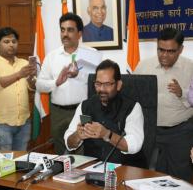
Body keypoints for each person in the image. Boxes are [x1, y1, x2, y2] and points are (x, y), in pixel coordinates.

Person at [36, 12, 101, 155]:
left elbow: (100, 84)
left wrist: (79, 75)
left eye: (70, 30)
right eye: (62, 29)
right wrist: (56, 82)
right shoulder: (52, 57)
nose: (65, 34)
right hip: (58, 112)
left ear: (79, 34)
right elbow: (39, 85)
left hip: (82, 111)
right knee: (60, 150)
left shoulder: (92, 54)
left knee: (83, 150)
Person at [134, 27, 193, 181]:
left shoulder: (190, 68)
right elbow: (132, 95)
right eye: (161, 50)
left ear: (180, 49)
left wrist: (182, 93)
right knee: (149, 174)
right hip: (150, 130)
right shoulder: (143, 66)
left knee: (180, 176)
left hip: (180, 132)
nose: (164, 55)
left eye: (171, 51)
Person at [64, 59, 145, 167]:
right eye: (98, 84)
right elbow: (69, 143)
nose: (102, 89)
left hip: (125, 169)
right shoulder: (85, 106)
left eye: (107, 84)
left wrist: (106, 134)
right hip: (92, 169)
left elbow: (134, 146)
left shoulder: (132, 107)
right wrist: (77, 135)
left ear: (119, 85)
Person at [0, 27, 36, 151]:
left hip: (24, 122)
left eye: (14, 41)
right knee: (5, 163)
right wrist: (19, 74)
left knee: (21, 159)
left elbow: (32, 88)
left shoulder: (24, 63)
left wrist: (32, 79)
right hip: (2, 124)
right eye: (6, 42)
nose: (11, 45)